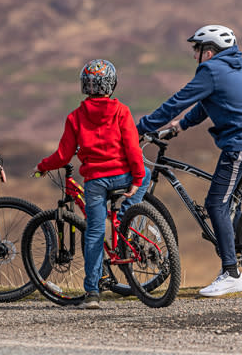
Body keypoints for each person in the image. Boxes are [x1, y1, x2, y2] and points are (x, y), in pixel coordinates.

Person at [136, 24, 242, 298]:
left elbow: (177, 101)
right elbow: (203, 105)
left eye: (196, 50)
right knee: (227, 202)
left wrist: (139, 128)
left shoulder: (211, 70)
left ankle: (232, 273)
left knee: (215, 203)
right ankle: (231, 246)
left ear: (208, 52)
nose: (195, 56)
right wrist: (180, 126)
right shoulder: (229, 67)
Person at [33, 59, 144, 310]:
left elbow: (63, 156)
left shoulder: (75, 117)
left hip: (95, 181)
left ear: (85, 86)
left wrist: (42, 167)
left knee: (94, 234)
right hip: (123, 176)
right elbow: (133, 149)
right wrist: (136, 179)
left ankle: (92, 293)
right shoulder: (122, 111)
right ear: (112, 84)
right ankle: (128, 216)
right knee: (146, 174)